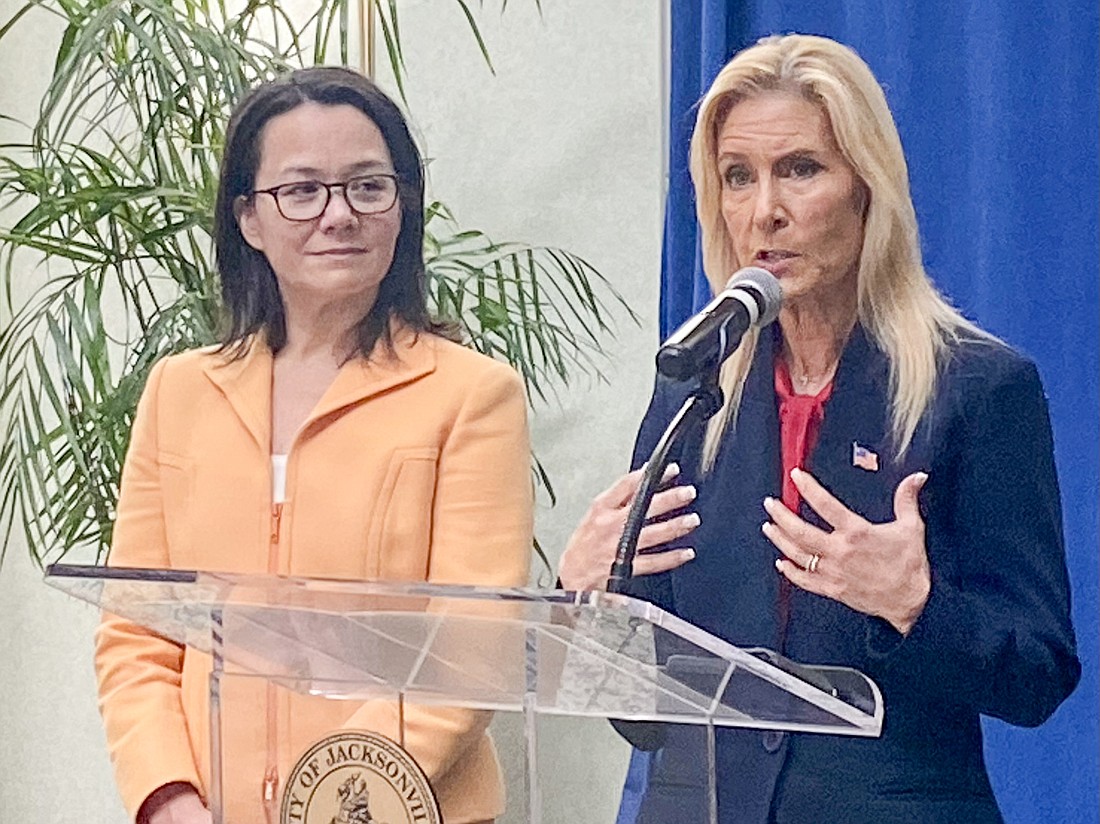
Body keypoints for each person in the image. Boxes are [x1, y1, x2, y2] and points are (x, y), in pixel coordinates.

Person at [558, 34, 1079, 824]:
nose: (765, 209)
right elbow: (642, 716)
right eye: (739, 176)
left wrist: (916, 604)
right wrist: (589, 596)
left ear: (868, 188)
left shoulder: (977, 389)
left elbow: (1036, 675)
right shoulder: (693, 392)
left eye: (800, 169)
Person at [94, 67, 532, 824]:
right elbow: (138, 633)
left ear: (404, 208)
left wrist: (335, 801)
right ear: (248, 219)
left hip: (399, 809)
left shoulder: (472, 394)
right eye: (302, 191)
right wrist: (168, 798)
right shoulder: (180, 392)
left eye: (368, 186)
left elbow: (470, 646)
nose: (339, 215)